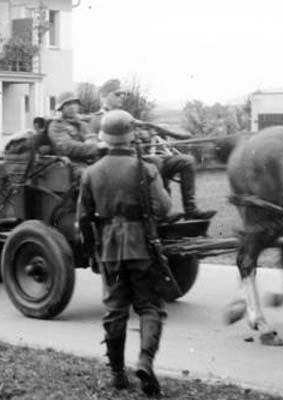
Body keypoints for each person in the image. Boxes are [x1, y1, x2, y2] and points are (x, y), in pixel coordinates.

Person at [77, 110, 172, 396]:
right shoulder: (146, 168)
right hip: (142, 245)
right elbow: (165, 208)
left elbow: (83, 217)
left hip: (109, 248)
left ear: (105, 138)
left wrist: (94, 248)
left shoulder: (90, 172)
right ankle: (145, 361)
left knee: (115, 311)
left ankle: (118, 374)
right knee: (150, 306)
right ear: (131, 137)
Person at [89, 79, 216, 220]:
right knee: (155, 162)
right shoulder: (98, 119)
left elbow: (142, 133)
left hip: (142, 159)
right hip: (122, 164)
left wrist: (146, 134)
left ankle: (191, 210)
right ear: (104, 96)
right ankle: (160, 214)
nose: (122, 97)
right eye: (117, 94)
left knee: (186, 161)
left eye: (123, 94)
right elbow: (100, 146)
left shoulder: (127, 116)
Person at [48, 91, 104, 164]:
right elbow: (67, 147)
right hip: (70, 163)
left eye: (74, 103)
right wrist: (96, 147)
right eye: (68, 104)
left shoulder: (83, 124)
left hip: (89, 160)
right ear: (61, 108)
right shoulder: (56, 126)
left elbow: (92, 137)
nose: (72, 107)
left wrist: (96, 143)